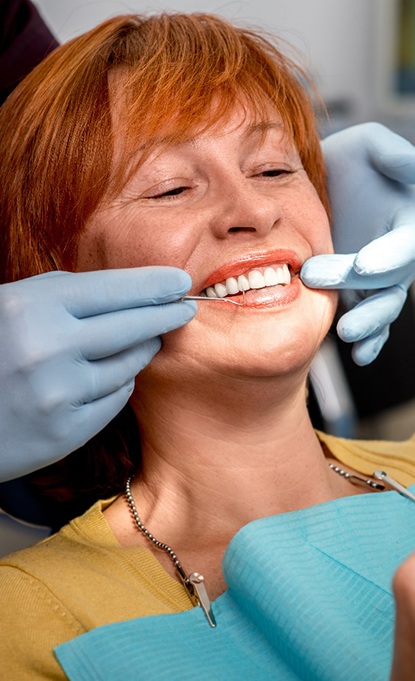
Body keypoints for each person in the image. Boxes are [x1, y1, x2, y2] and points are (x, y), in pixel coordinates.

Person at [1, 12, 415, 680]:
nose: (252, 210)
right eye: (170, 187)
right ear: (54, 275)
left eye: (276, 168)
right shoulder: (26, 617)